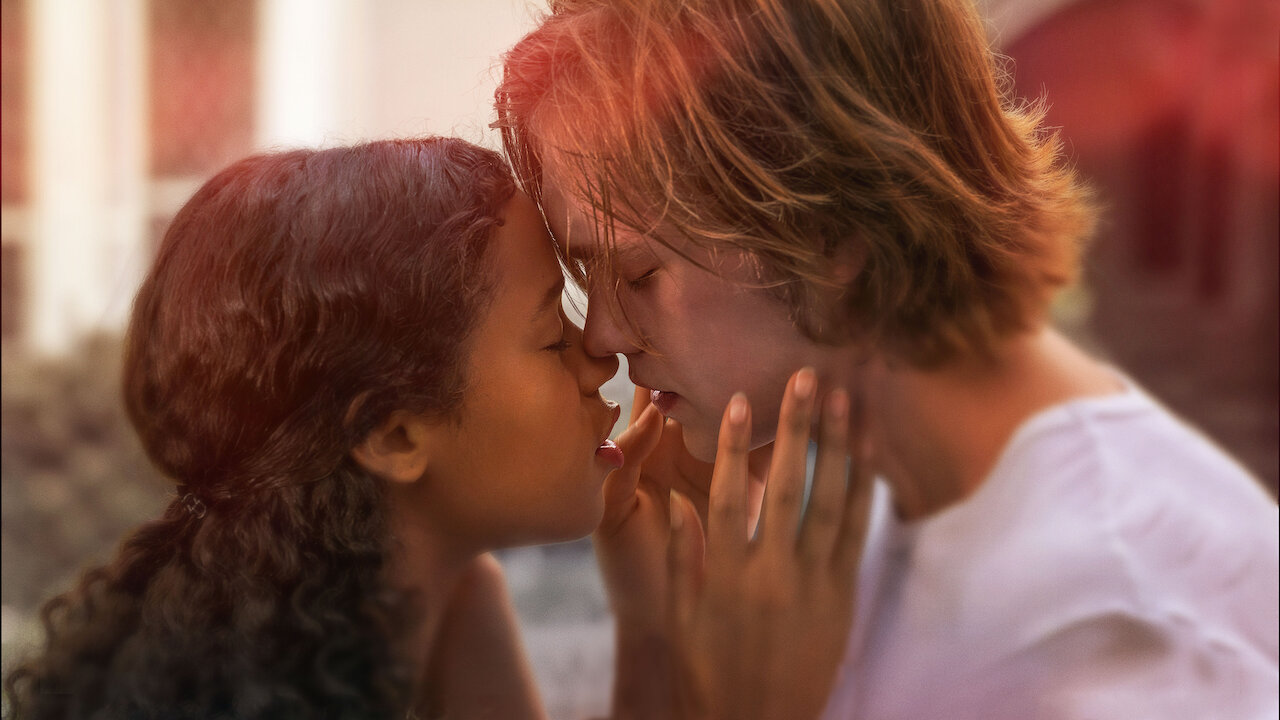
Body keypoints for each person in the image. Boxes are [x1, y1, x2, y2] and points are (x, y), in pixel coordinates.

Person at [495, 0, 1280, 717]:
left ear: (833, 233)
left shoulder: (1119, 630)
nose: (600, 336)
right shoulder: (860, 501)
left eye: (637, 274)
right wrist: (666, 633)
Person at [3, 137, 869, 720]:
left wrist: (648, 623)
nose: (602, 356)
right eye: (550, 334)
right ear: (393, 436)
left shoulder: (452, 606)